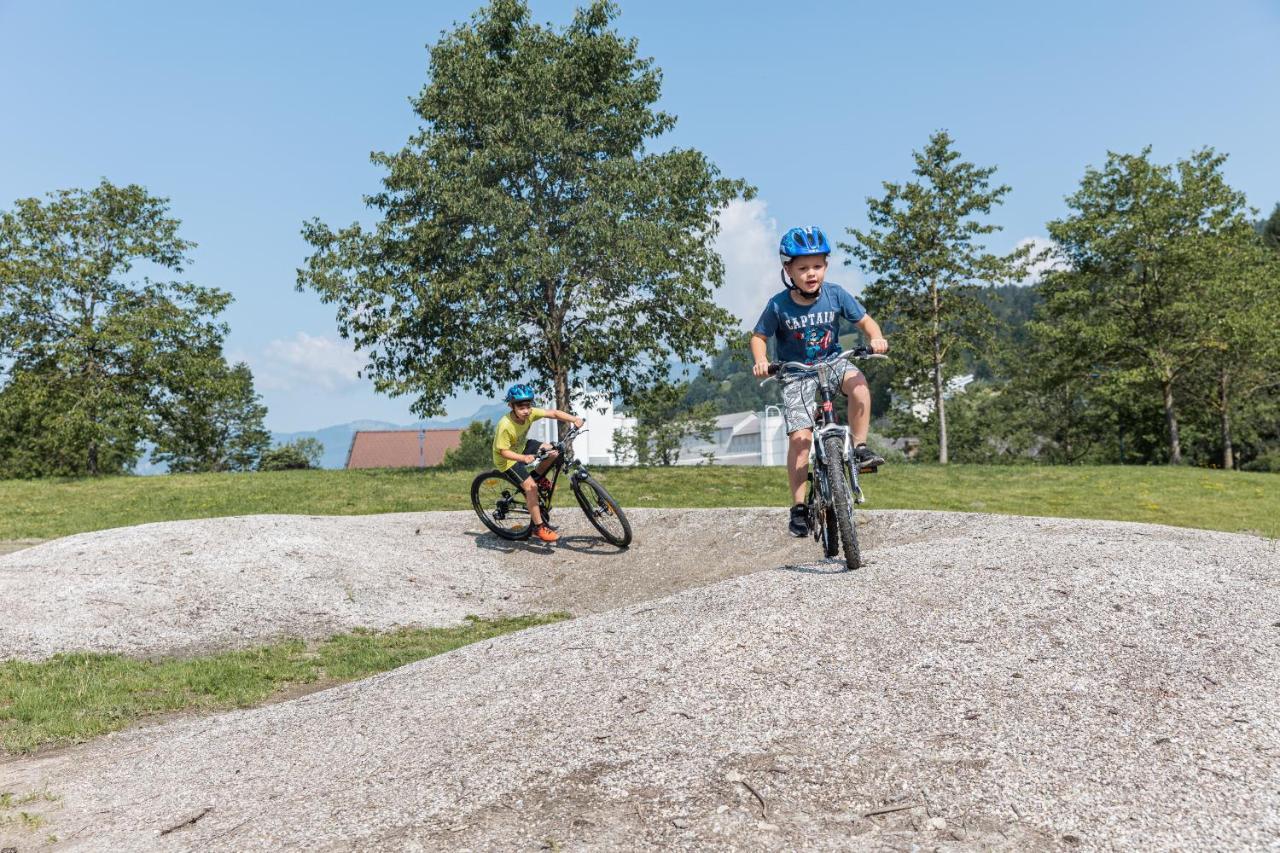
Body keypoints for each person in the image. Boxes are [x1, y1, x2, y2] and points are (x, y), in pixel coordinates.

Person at [749, 226, 889, 537]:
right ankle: (799, 507)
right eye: (802, 268)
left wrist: (876, 337)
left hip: (834, 363)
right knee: (800, 440)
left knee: (860, 387)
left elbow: (866, 322)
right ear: (788, 270)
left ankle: (861, 447)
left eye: (817, 266)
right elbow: (759, 337)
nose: (811, 273)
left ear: (825, 266)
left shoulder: (836, 294)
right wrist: (761, 360)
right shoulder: (778, 305)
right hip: (797, 372)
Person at [491, 383, 584, 543]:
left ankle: (538, 478)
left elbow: (554, 413)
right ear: (511, 406)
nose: (526, 411)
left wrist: (574, 419)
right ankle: (538, 527)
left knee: (554, 452)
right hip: (507, 459)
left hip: (522, 446)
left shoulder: (531, 413)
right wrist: (523, 458)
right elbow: (503, 451)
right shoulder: (505, 425)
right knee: (531, 488)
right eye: (521, 407)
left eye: (528, 406)